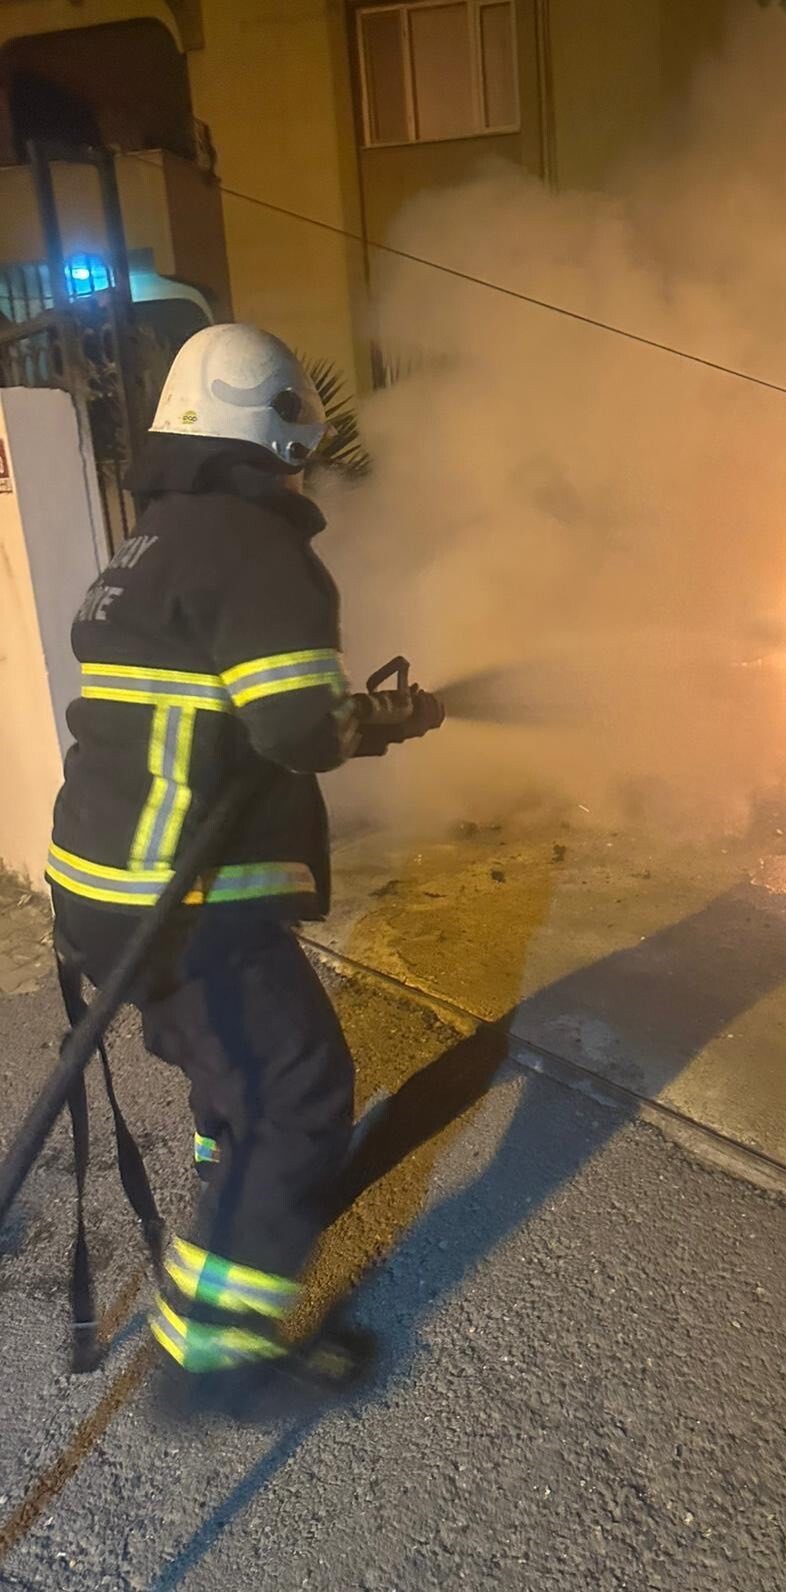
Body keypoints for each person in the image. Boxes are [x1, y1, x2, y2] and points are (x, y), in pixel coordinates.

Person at [47, 323, 443, 1406]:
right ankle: (213, 1353)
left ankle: (233, 1223)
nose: (302, 471)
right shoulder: (259, 545)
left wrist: (358, 713)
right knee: (300, 1093)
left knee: (236, 1075)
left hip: (102, 886)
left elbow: (232, 703)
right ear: (270, 438)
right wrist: (375, 720)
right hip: (183, 897)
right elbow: (295, 727)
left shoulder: (151, 543)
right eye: (296, 449)